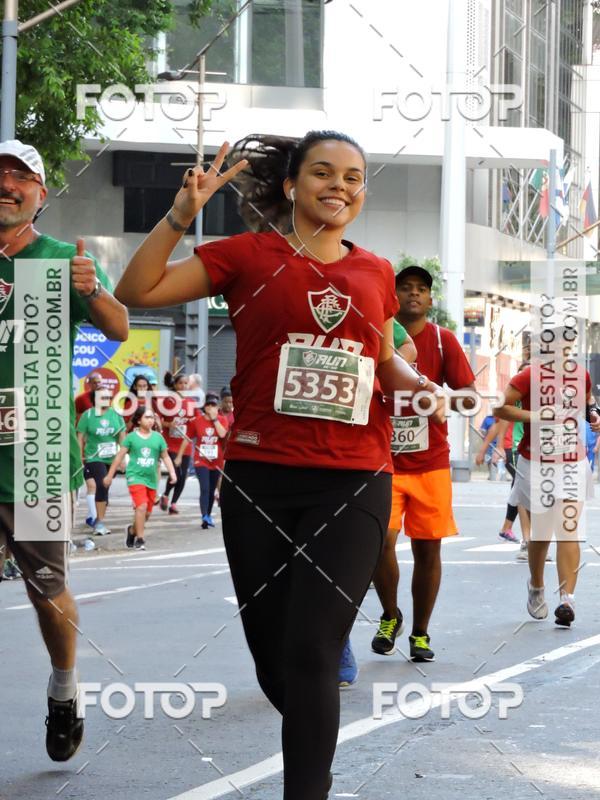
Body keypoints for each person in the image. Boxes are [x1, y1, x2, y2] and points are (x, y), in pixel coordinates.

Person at [114, 132, 445, 800]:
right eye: (324, 173)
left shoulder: (375, 271)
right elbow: (136, 288)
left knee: (315, 653)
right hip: (259, 478)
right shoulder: (246, 255)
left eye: (354, 178)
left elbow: (381, 358)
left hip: (354, 478)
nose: (341, 186)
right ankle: (307, 721)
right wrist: (183, 212)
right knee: (276, 661)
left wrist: (418, 385)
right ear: (291, 186)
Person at [0, 139, 128, 760]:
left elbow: (119, 327)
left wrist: (95, 291)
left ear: (39, 196)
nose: (7, 184)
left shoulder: (59, 262)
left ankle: (63, 688)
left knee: (46, 590)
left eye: (19, 178)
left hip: (38, 460)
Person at [368, 265, 476, 663]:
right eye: (405, 288)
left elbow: (468, 394)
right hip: (383, 459)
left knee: (428, 550)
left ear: (431, 300)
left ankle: (420, 633)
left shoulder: (443, 342)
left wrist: (446, 400)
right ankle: (389, 614)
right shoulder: (377, 334)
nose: (414, 294)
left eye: (421, 289)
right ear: (393, 297)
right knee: (382, 542)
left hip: (431, 461)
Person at [495, 333, 600, 627]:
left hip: (572, 460)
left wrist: (594, 415)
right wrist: (535, 415)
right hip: (536, 463)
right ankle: (537, 586)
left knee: (569, 527)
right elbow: (501, 408)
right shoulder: (528, 376)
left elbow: (590, 402)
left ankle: (567, 599)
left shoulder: (581, 375)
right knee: (541, 534)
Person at [104, 407, 176, 550]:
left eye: (152, 418)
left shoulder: (158, 438)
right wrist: (110, 475)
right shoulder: (131, 437)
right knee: (141, 507)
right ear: (138, 420)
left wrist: (172, 473)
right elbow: (119, 456)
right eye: (146, 417)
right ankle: (140, 539)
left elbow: (165, 456)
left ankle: (132, 531)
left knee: (147, 513)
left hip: (151, 479)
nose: (150, 420)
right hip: (135, 477)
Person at [176, 393, 228, 528]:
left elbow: (222, 434)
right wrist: (179, 456)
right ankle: (204, 515)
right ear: (204, 407)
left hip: (216, 461)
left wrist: (215, 419)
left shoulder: (222, 420)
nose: (210, 407)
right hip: (201, 460)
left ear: (218, 408)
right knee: (204, 488)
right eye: (208, 405)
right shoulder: (197, 421)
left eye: (213, 405)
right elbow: (187, 438)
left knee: (211, 490)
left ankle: (208, 515)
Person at [76, 392, 126, 535]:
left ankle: (98, 519)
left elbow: (122, 436)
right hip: (94, 458)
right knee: (102, 483)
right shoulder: (88, 415)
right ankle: (99, 522)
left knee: (105, 488)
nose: (107, 400)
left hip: (112, 459)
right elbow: (80, 437)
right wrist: (80, 457)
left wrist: (122, 458)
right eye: (103, 397)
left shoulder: (116, 415)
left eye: (109, 397)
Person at [158, 370, 195, 514]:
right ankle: (166, 494)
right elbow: (159, 420)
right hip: (171, 444)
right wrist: (169, 425)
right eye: (181, 383)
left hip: (185, 444)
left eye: (186, 383)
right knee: (177, 474)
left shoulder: (191, 402)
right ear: (175, 385)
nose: (184, 386)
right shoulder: (169, 401)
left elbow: (196, 420)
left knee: (183, 475)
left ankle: (173, 503)